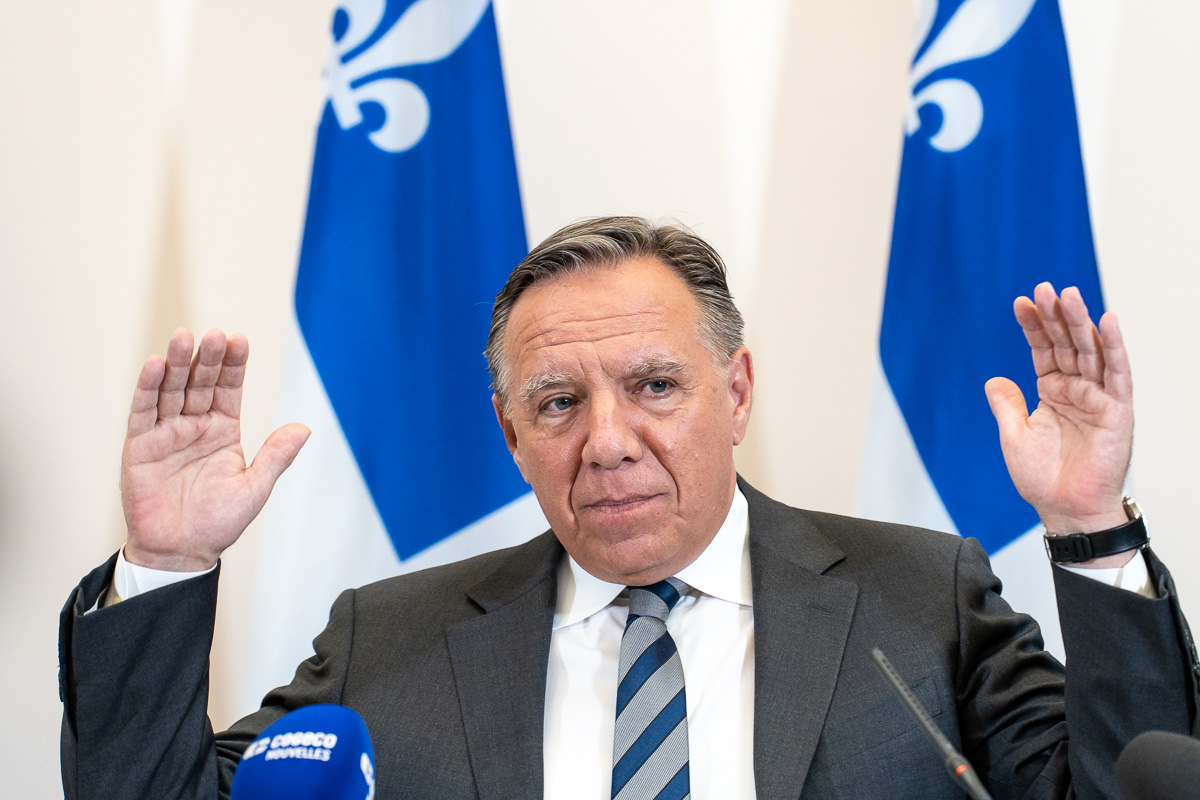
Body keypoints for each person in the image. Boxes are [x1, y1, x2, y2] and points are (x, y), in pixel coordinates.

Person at [60, 217, 1197, 799]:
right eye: (558, 402)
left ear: (735, 392)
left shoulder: (921, 600)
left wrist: (1089, 526)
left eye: (654, 385)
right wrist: (166, 561)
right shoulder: (391, 641)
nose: (607, 440)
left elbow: (1121, 790)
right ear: (512, 434)